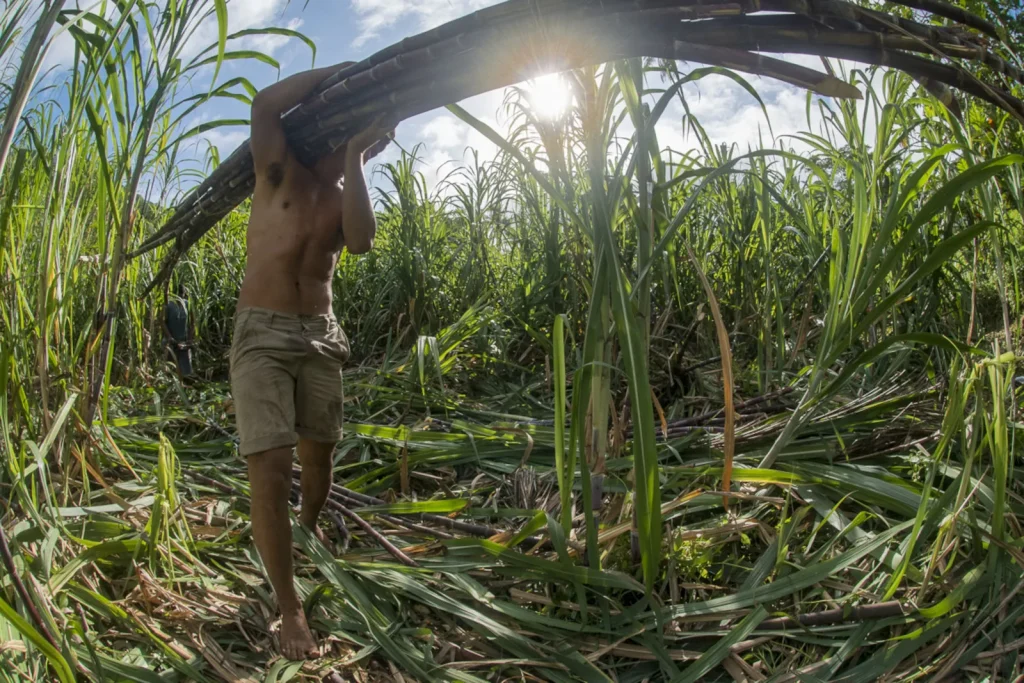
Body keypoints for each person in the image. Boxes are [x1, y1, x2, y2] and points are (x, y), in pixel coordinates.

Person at [229, 62, 393, 660]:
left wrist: (357, 158)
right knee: (269, 468)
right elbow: (266, 104)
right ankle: (290, 607)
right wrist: (345, 71)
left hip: (320, 335)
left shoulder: (340, 196)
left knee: (317, 460)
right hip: (263, 335)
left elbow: (361, 242)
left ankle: (311, 524)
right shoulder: (276, 172)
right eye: (341, 138)